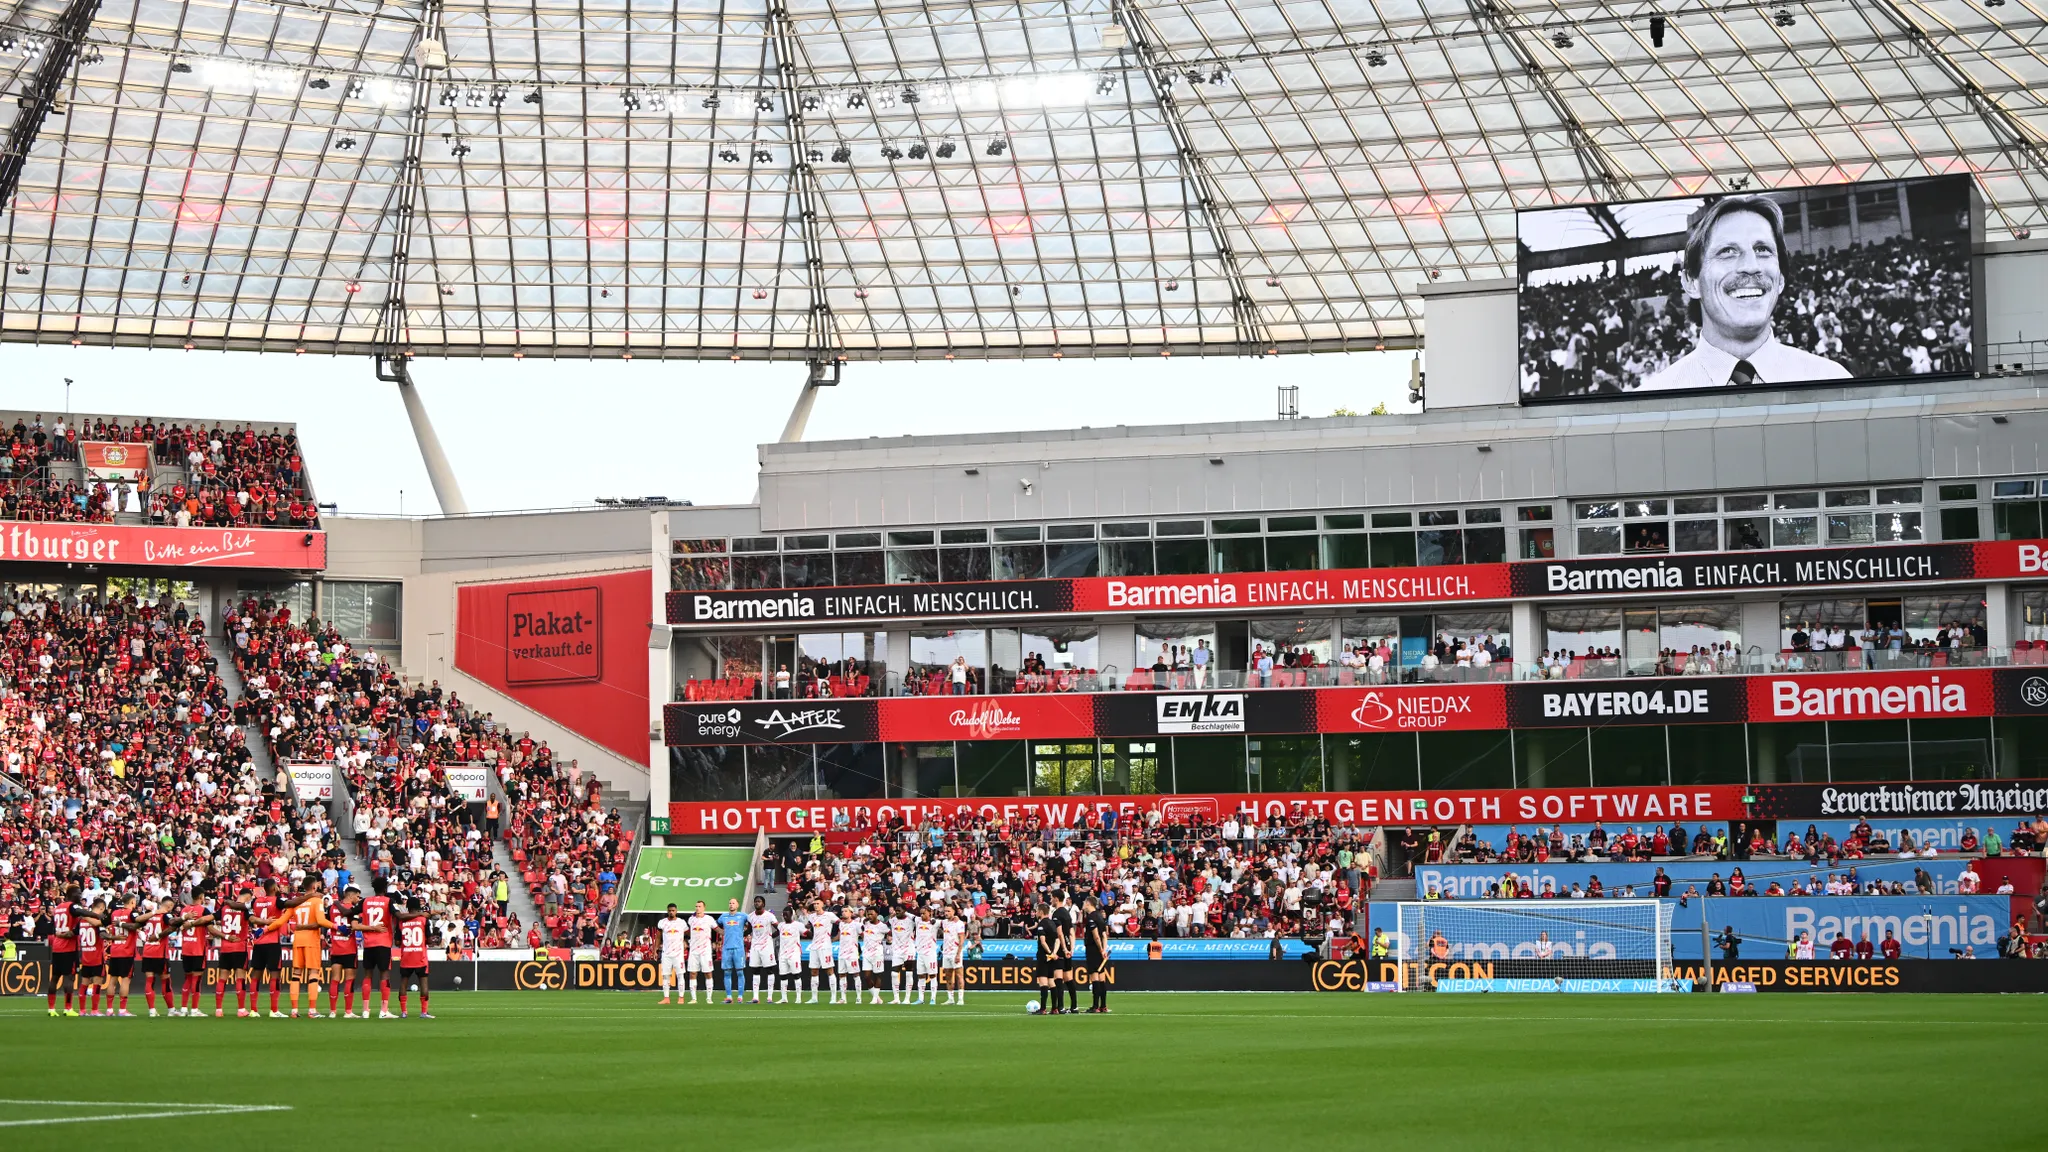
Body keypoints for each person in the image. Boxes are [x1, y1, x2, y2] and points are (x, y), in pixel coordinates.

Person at [1636, 195, 1855, 392]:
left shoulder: (1833, 383)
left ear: (1780, 280)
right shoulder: (1650, 402)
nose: (1751, 266)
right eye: (1727, 252)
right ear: (1691, 282)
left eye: (1762, 250)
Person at [265, 876, 332, 1018]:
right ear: (314, 887)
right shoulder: (316, 900)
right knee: (313, 974)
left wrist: (264, 930)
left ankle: (294, 1010)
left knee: (296, 975)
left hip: (298, 940)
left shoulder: (296, 903)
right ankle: (312, 1010)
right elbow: (320, 920)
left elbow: (280, 921)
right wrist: (337, 926)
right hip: (311, 940)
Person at [358, 877, 397, 1019]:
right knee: (384, 974)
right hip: (383, 942)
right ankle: (384, 1010)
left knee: (367, 975)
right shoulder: (388, 901)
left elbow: (351, 912)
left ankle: (365, 1010)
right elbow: (398, 915)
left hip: (368, 943)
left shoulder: (365, 901)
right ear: (385, 889)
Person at [393, 898, 434, 1019]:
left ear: (408, 908)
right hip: (420, 956)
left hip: (406, 956)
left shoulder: (401, 921)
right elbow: (430, 940)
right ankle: (424, 1012)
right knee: (424, 983)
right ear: (418, 907)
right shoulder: (423, 920)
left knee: (403, 983)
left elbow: (397, 942)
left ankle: (404, 1012)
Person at [1082, 895, 1112, 1013]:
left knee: (1094, 977)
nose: (1083, 905)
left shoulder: (1091, 917)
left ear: (1089, 903)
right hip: (1100, 950)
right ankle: (1103, 1005)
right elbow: (1104, 935)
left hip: (1093, 950)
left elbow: (1096, 936)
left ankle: (1095, 1006)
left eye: (1085, 902)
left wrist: (1100, 950)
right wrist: (1104, 950)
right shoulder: (1100, 916)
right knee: (1101, 977)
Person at [745, 896, 777, 1003]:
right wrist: (739, 934)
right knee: (755, 970)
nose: (756, 903)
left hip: (767, 947)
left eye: (759, 901)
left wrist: (770, 936)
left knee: (769, 970)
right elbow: (749, 930)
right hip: (755, 946)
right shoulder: (750, 916)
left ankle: (769, 997)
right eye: (755, 902)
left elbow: (779, 929)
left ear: (763, 903)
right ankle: (755, 997)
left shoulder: (769, 916)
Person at [716, 897, 749, 1004]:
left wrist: (745, 933)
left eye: (733, 903)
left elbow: (752, 924)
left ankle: (740, 996)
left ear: (737, 905)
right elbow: (715, 926)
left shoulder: (743, 916)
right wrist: (722, 932)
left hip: (739, 948)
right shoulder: (723, 917)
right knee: (727, 972)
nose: (731, 905)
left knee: (740, 972)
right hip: (726, 948)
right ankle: (729, 996)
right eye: (730, 903)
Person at [655, 903, 689, 1005]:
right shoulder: (662, 922)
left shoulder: (681, 923)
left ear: (676, 911)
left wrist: (687, 943)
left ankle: (681, 998)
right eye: (669, 910)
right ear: (667, 911)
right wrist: (655, 949)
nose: (671, 912)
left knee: (680, 975)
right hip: (666, 953)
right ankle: (666, 998)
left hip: (678, 954)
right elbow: (658, 937)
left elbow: (688, 933)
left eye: (673, 910)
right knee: (666, 976)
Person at [685, 900, 718, 1004]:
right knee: (692, 973)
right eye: (696, 906)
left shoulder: (709, 919)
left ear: (704, 907)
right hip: (694, 951)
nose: (697, 908)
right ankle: (694, 998)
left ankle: (709, 998)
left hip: (705, 951)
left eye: (699, 906)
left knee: (708, 973)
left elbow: (717, 929)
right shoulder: (691, 919)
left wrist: (728, 933)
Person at [1033, 902, 1061, 1015]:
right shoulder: (1052, 923)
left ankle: (1043, 1008)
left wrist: (1049, 953)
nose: (1035, 913)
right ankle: (1055, 1008)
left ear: (1040, 912)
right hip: (1052, 957)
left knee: (1043, 982)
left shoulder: (1041, 924)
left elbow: (1043, 942)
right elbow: (1058, 940)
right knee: (1051, 981)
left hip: (1044, 956)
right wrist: (1054, 953)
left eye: (1036, 911)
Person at [775, 904, 806, 1003]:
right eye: (783, 915)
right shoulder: (781, 925)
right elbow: (777, 933)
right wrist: (769, 935)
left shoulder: (798, 925)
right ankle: (784, 998)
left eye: (787, 915)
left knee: (796, 975)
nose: (785, 917)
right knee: (783, 976)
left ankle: (798, 998)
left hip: (794, 953)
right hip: (783, 954)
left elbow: (807, 933)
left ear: (791, 915)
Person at [806, 899, 834, 1003]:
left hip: (825, 946)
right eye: (814, 904)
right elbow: (809, 926)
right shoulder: (811, 916)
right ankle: (814, 998)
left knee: (829, 970)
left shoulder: (829, 915)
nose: (816, 905)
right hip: (814, 946)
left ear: (822, 904)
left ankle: (833, 997)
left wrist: (835, 937)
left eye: (818, 903)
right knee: (813, 971)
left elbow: (840, 923)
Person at [940, 903, 969, 1006]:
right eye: (945, 911)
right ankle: (950, 998)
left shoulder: (959, 923)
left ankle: (960, 999)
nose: (946, 913)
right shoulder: (944, 922)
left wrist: (958, 954)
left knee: (959, 975)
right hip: (946, 953)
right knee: (948, 976)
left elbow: (962, 939)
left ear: (953, 912)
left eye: (948, 911)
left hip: (955, 952)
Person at [913, 905, 941, 1006]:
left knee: (932, 976)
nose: (921, 915)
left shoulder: (935, 923)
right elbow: (908, 915)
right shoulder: (918, 921)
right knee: (921, 976)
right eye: (920, 913)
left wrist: (955, 917)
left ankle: (933, 998)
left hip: (930, 953)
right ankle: (921, 998)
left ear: (930, 913)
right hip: (920, 953)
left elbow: (946, 922)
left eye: (924, 913)